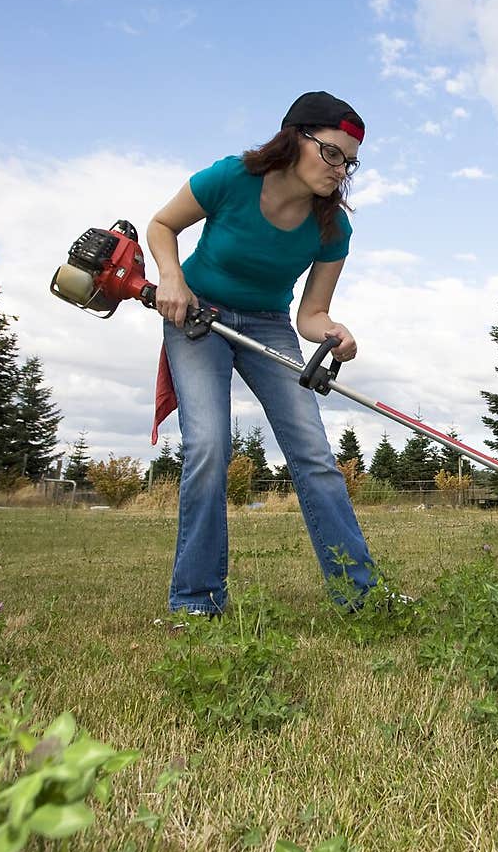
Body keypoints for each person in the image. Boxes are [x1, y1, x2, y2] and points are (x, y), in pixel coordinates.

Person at [146, 90, 379, 619]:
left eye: (351, 162)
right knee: (207, 446)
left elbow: (311, 315)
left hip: (269, 327)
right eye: (333, 153)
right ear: (296, 138)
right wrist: (172, 280)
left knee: (316, 458)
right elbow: (162, 225)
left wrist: (334, 333)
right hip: (197, 318)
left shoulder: (332, 228)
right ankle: (196, 601)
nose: (341, 170)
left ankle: (361, 596)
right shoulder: (231, 179)